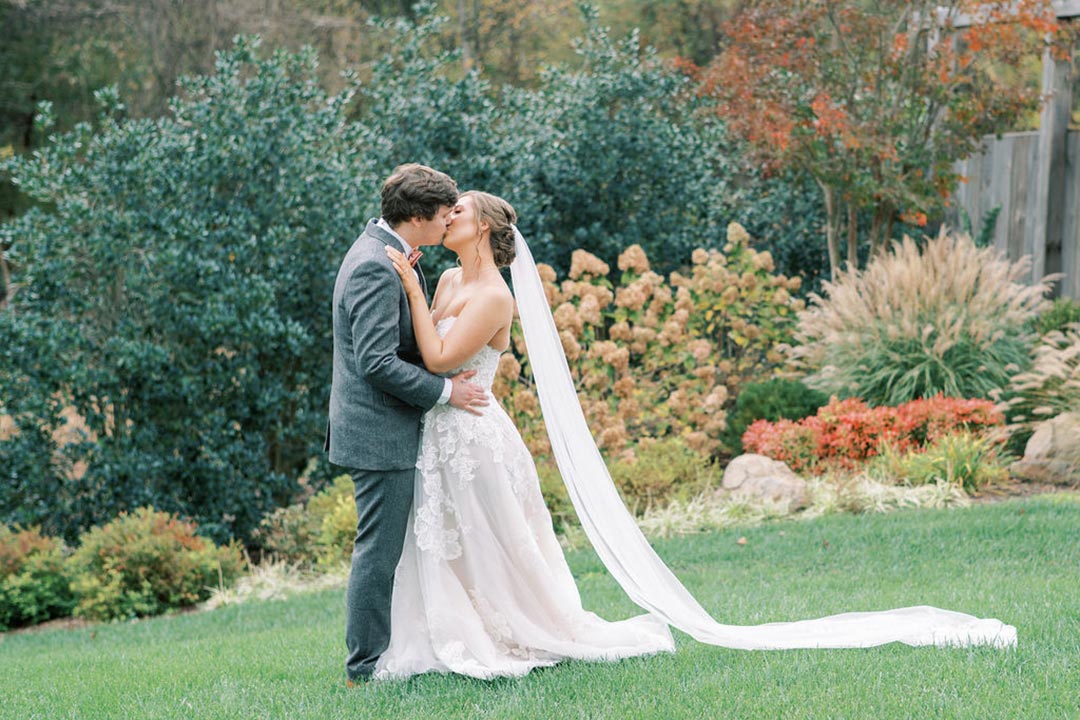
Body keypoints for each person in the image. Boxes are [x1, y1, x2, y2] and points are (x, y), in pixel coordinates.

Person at [377, 189, 1017, 681]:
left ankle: (513, 631)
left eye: (455, 209)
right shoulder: (453, 278)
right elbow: (430, 346)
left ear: (483, 225)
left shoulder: (491, 293)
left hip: (476, 435)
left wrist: (406, 282)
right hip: (442, 429)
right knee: (450, 540)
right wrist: (418, 292)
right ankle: (451, 633)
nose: (444, 216)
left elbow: (436, 357)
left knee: (497, 542)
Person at [325, 164, 489, 685]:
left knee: (398, 548)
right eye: (444, 215)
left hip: (388, 428)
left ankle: (408, 646)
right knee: (379, 551)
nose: (448, 223)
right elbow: (376, 362)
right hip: (378, 433)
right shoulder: (376, 264)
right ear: (418, 216)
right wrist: (447, 391)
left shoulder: (391, 252)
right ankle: (364, 668)